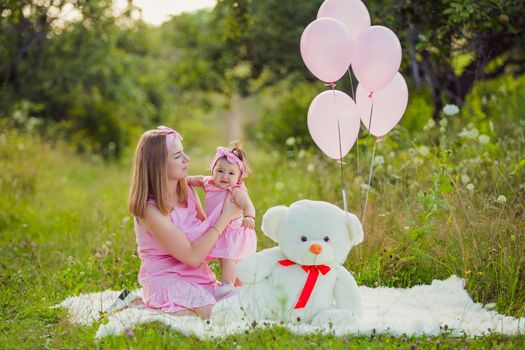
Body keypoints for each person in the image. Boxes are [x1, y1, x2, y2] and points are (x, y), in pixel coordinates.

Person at [127, 126, 242, 319]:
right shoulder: (150, 211)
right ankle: (137, 307)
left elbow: (208, 243)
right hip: (167, 281)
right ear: (159, 165)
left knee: (241, 305)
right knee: (220, 317)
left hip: (199, 279)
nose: (187, 159)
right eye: (178, 155)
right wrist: (225, 217)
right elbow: (192, 256)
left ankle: (146, 307)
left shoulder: (187, 193)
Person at [187, 143, 257, 297]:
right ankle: (241, 288)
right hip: (222, 230)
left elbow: (247, 204)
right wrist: (184, 180)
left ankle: (228, 285)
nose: (224, 176)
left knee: (228, 259)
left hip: (233, 232)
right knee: (230, 261)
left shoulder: (235, 190)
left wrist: (249, 216)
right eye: (220, 171)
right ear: (212, 170)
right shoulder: (209, 183)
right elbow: (197, 180)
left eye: (231, 173)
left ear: (239, 177)